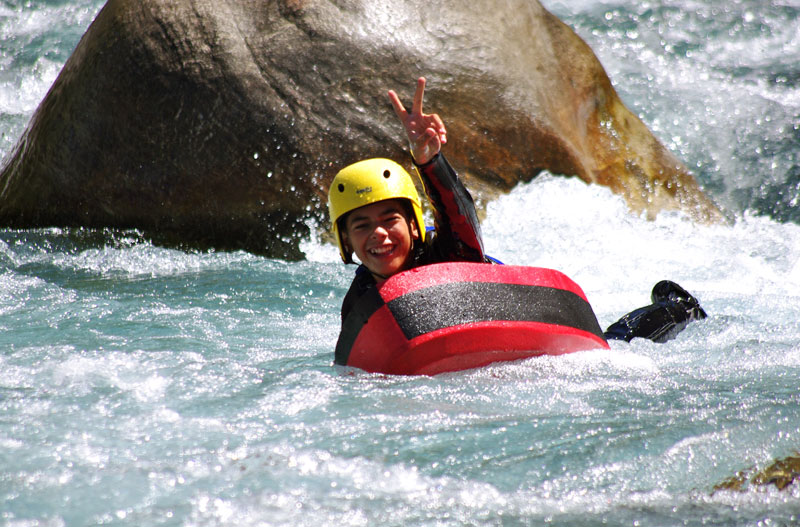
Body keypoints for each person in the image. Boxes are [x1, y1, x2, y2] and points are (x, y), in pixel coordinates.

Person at [327, 77, 705, 343]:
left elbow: (460, 216)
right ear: (345, 240)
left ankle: (678, 307)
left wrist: (431, 162)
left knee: (614, 347)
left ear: (413, 225)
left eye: (390, 220)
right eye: (361, 225)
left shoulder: (449, 252)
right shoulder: (359, 302)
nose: (378, 234)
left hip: (517, 311)